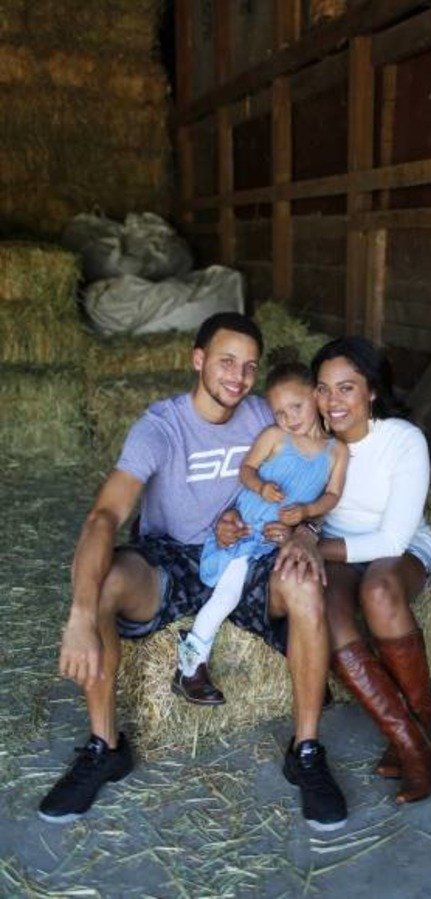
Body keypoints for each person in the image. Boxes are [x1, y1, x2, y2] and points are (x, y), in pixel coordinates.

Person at [38, 312, 347, 832]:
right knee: (107, 582)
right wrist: (79, 614)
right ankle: (104, 746)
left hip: (250, 552)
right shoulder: (160, 427)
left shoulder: (267, 416)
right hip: (171, 556)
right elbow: (104, 517)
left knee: (305, 583)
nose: (238, 376)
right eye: (226, 361)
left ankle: (307, 749)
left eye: (249, 366)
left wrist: (304, 535)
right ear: (197, 359)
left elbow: (313, 474)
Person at [310, 336, 431, 804]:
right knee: (324, 608)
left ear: (370, 390)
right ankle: (414, 746)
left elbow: (390, 540)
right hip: (338, 548)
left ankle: (421, 729)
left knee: (380, 592)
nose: (333, 401)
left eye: (346, 388)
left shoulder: (403, 440)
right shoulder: (315, 442)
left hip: (399, 546)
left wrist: (314, 546)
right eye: (323, 389)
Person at [173, 361, 348, 706]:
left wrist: (305, 514)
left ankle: (309, 671)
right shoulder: (275, 437)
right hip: (246, 532)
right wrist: (262, 486)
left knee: (303, 592)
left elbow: (333, 495)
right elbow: (247, 470)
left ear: (316, 396)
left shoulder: (336, 452)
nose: (289, 418)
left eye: (296, 407)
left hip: (278, 540)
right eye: (279, 412)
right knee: (228, 594)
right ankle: (191, 659)